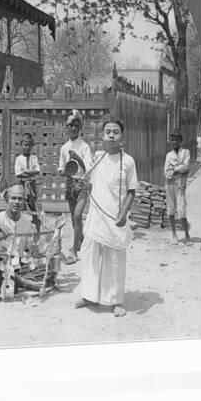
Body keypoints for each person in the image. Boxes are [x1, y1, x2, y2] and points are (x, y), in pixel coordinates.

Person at [75, 117, 137, 317]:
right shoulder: (97, 158)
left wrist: (124, 213)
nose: (111, 135)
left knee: (115, 259)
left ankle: (115, 301)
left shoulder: (127, 161)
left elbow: (132, 190)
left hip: (115, 217)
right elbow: (88, 183)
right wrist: (81, 184)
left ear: (122, 136)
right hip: (96, 216)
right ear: (102, 135)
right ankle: (88, 295)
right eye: (108, 131)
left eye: (115, 132)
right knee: (90, 255)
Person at [57, 110, 92, 264]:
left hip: (82, 184)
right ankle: (82, 243)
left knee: (78, 215)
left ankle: (73, 250)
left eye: (76, 125)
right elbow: (61, 169)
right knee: (73, 218)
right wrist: (64, 171)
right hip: (70, 184)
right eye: (70, 125)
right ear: (66, 127)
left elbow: (89, 167)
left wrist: (78, 160)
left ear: (80, 127)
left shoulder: (84, 147)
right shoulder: (64, 148)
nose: (73, 128)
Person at [164, 127, 191, 245]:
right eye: (172, 140)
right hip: (169, 184)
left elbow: (186, 167)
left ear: (180, 141)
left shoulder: (186, 152)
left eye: (176, 140)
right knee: (171, 209)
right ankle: (174, 234)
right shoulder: (168, 155)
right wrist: (176, 170)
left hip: (180, 184)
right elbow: (166, 171)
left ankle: (187, 235)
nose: (174, 142)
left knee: (181, 209)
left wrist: (174, 169)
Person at [14, 133, 41, 231]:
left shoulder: (34, 158)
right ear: (21, 145)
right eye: (25, 145)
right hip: (22, 185)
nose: (27, 147)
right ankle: (22, 227)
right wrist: (30, 173)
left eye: (29, 145)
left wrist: (26, 171)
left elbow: (37, 170)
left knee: (34, 205)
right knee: (22, 206)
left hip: (32, 185)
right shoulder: (18, 159)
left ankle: (37, 225)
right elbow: (19, 174)